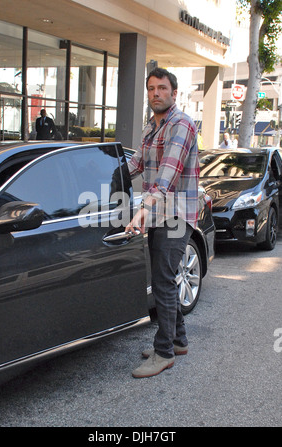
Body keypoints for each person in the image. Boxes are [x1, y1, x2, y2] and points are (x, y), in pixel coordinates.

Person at [125, 67, 200, 378]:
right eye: (151, 88)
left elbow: (167, 176)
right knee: (163, 280)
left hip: (176, 215)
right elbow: (135, 165)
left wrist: (142, 209)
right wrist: (98, 174)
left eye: (162, 88)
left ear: (174, 93)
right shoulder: (149, 129)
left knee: (163, 282)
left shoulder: (181, 125)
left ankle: (164, 352)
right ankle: (178, 340)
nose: (156, 93)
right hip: (158, 213)